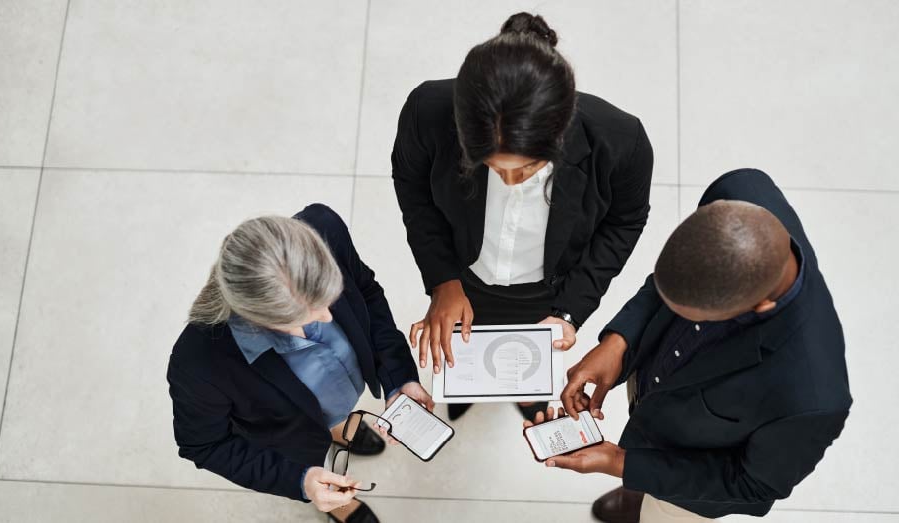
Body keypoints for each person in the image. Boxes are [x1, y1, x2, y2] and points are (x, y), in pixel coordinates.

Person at [534, 169, 851, 522]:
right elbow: (671, 282)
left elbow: (752, 486)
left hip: (690, 487)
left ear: (758, 305)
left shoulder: (812, 400)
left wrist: (621, 464)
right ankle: (639, 488)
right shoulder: (739, 190)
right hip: (658, 396)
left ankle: (646, 491)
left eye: (699, 318)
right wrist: (618, 342)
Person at [392, 12, 654, 420]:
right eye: (495, 168)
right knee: (464, 365)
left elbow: (625, 221)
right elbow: (413, 189)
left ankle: (524, 396)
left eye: (528, 168)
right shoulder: (427, 109)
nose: (511, 183)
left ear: (562, 128)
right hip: (463, 275)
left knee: (528, 377)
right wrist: (443, 280)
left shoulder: (622, 141)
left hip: (549, 289)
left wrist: (569, 312)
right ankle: (464, 394)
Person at [167, 204, 433, 523]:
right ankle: (339, 504)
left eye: (331, 297)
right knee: (313, 449)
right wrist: (302, 481)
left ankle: (340, 429)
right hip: (289, 431)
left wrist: (398, 379)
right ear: (257, 318)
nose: (328, 317)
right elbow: (205, 445)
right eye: (306, 315)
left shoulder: (324, 228)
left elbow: (368, 294)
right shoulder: (198, 364)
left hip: (335, 389)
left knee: (335, 412)